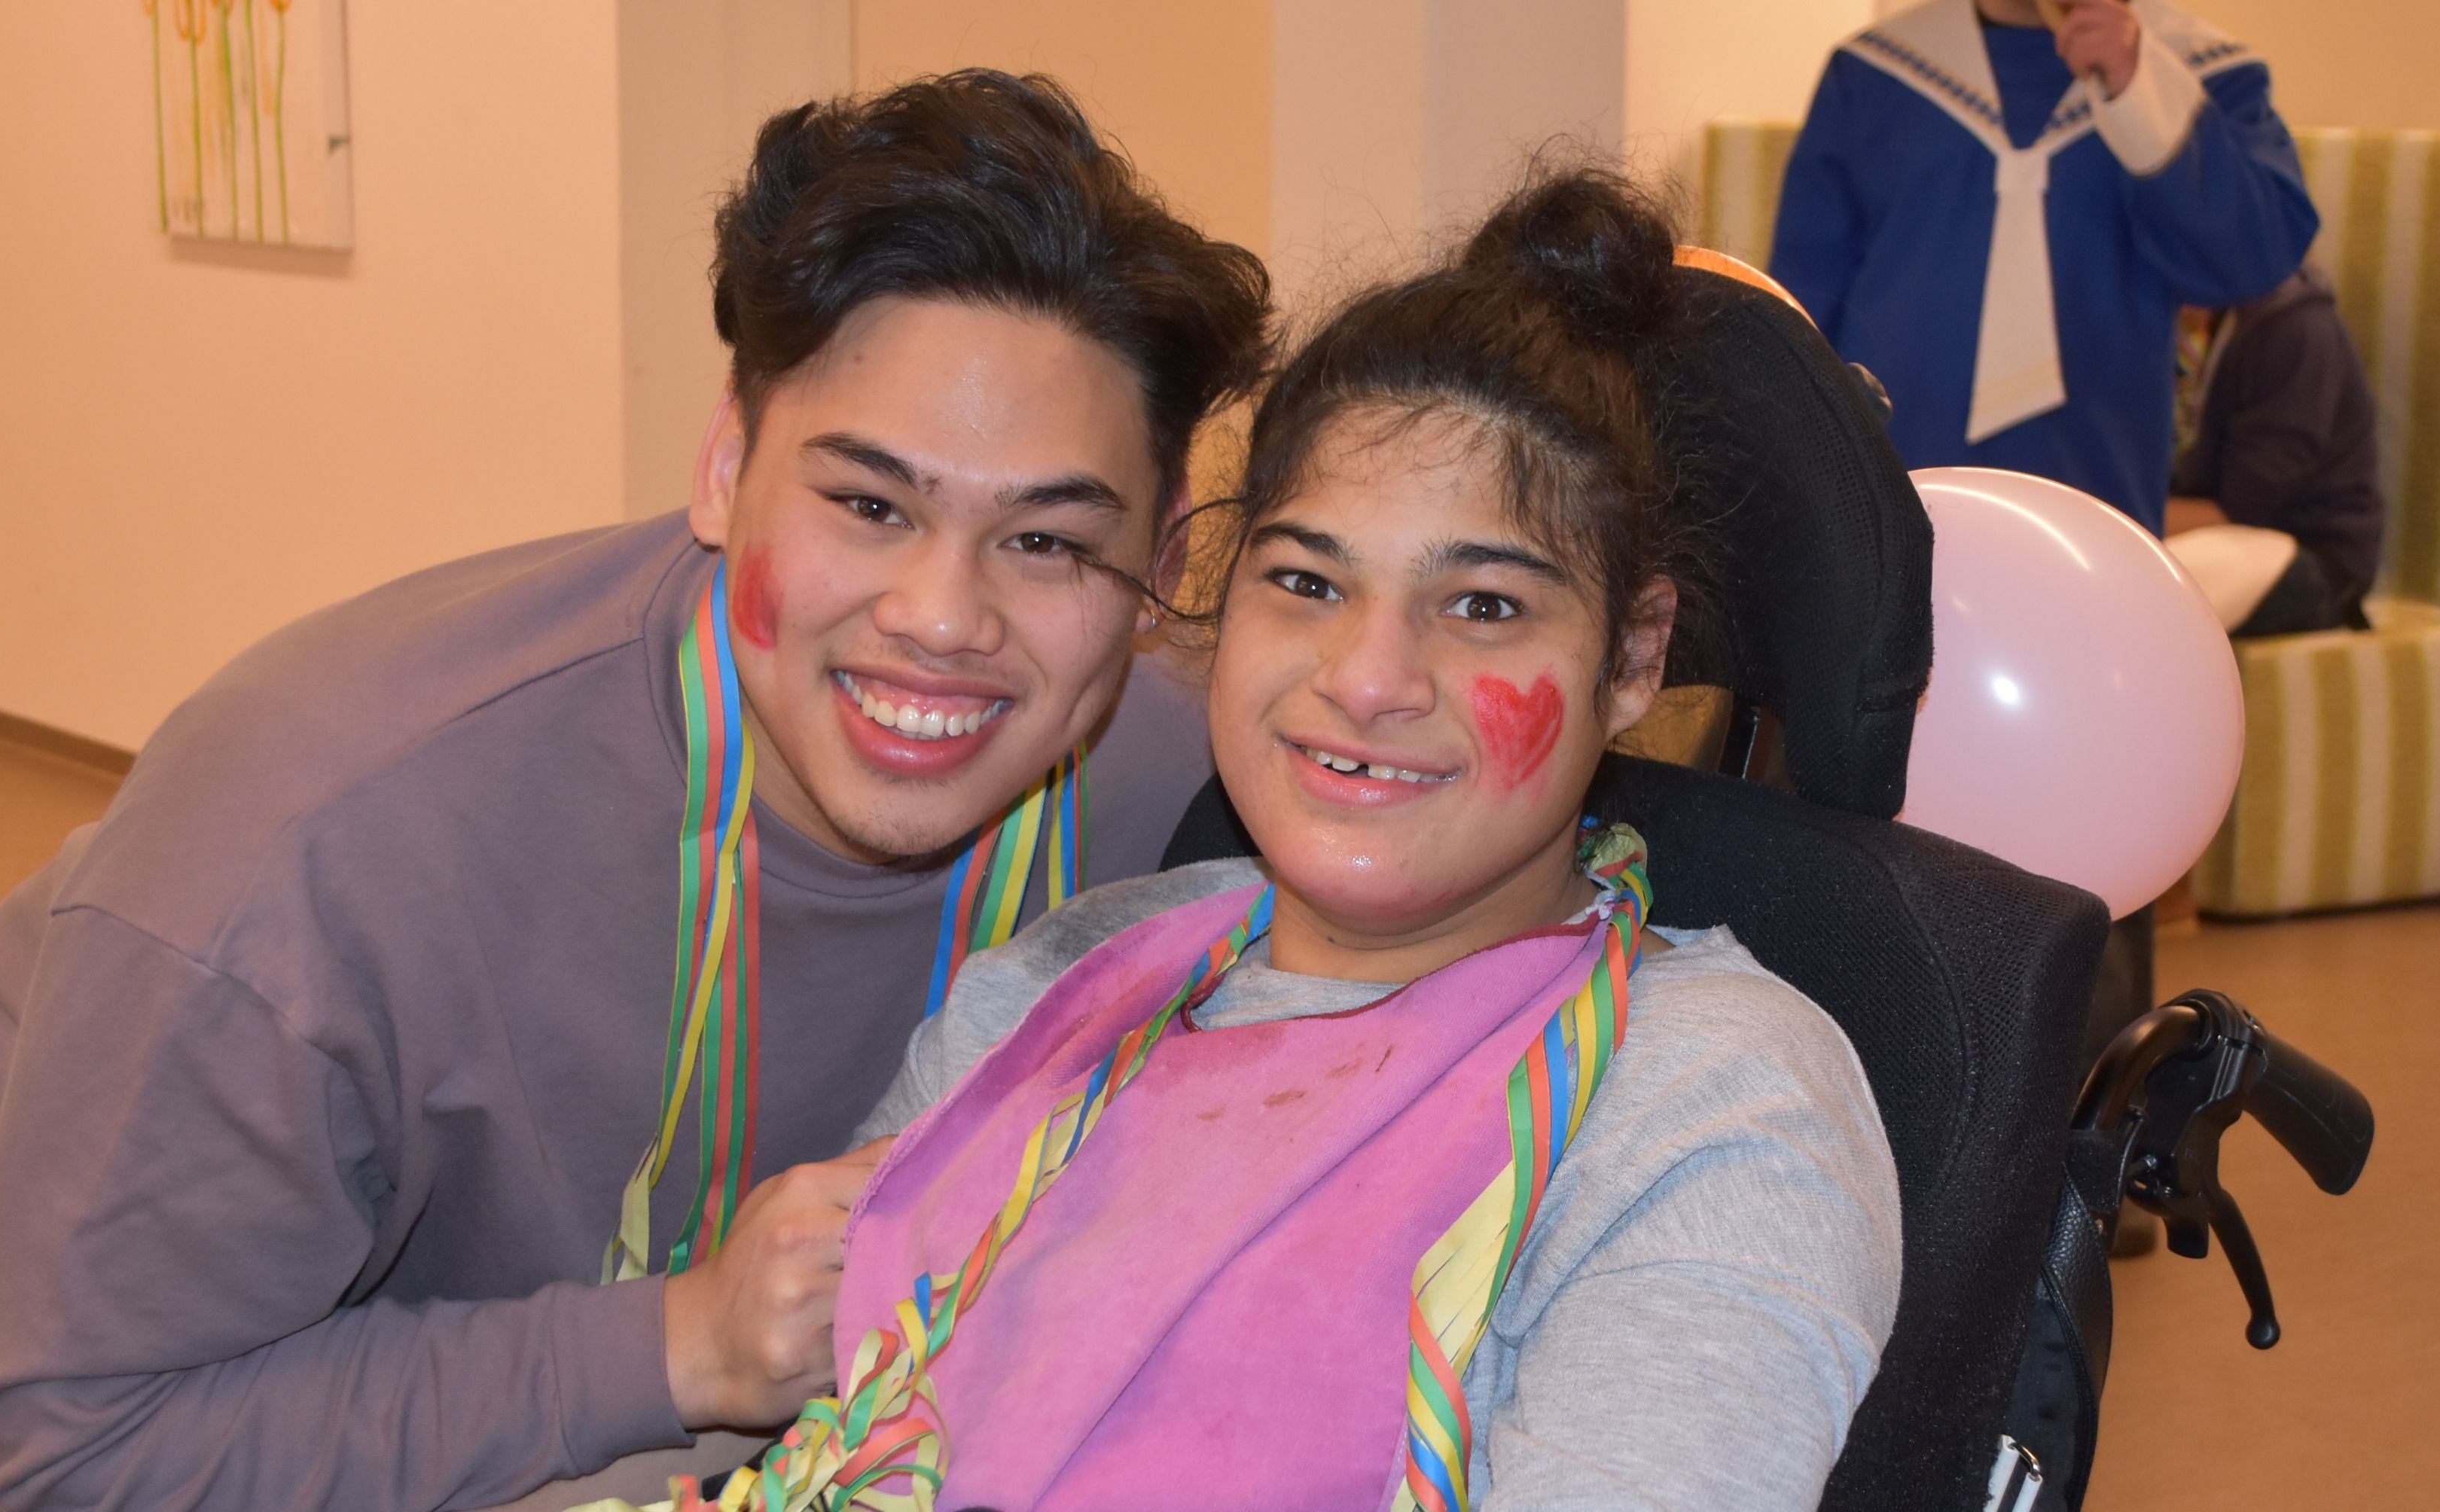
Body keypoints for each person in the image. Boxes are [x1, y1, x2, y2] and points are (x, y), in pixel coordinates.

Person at [0, 71, 1270, 1512]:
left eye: (1044, 541)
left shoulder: (1194, 780)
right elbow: (100, 1447)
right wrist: (684, 1342)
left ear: (1156, 570)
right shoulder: (317, 840)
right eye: (866, 504)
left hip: (715, 1345)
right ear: (724, 469)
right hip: (116, 1386)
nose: (943, 618)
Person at [660, 169, 1900, 1512]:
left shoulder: (1708, 1104)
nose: (1365, 678)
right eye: (1306, 581)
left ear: (1634, 655)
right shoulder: (1064, 982)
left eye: (1483, 605)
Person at [1771, 0, 2317, 536]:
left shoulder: (2204, 70)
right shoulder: (1873, 72)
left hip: (2098, 493)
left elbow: (2253, 257)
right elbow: (1799, 318)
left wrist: (2144, 94)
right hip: (1889, 488)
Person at [2165, 264, 2384, 636]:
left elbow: (2241, 507)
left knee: (2142, 589)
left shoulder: (2295, 327)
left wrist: (2121, 522)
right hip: (2223, 536)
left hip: (2313, 560)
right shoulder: (2216, 320)